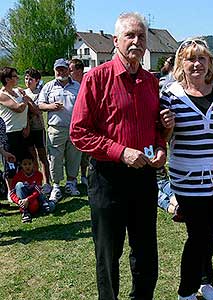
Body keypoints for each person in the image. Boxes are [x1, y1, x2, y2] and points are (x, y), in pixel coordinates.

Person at [70, 12, 169, 300]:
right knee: (108, 254)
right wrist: (120, 151)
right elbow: (79, 132)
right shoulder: (96, 79)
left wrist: (161, 145)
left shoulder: (151, 82)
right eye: (130, 35)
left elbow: (154, 128)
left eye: (141, 36)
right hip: (107, 179)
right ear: (116, 41)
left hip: (144, 178)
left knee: (146, 252)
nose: (137, 41)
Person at [160, 37, 213, 300]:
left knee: (209, 234)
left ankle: (205, 278)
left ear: (210, 62)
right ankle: (186, 291)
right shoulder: (170, 94)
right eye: (191, 59)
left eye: (202, 58)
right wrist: (166, 126)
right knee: (197, 236)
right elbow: (163, 138)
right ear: (182, 63)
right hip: (187, 177)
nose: (197, 64)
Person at [38, 58, 81, 203]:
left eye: (63, 69)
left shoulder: (77, 86)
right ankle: (56, 186)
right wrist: (51, 107)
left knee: (73, 156)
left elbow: (83, 105)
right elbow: (40, 105)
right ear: (54, 70)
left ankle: (71, 183)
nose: (60, 72)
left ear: (69, 70)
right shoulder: (49, 86)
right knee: (55, 158)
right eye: (58, 69)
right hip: (56, 129)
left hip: (74, 129)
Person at [0, 67, 30, 197]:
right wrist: (25, 100)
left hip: (21, 132)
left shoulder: (18, 91)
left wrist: (27, 125)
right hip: (9, 133)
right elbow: (17, 108)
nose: (18, 78)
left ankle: (21, 188)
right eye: (15, 76)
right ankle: (10, 192)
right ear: (7, 79)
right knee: (10, 163)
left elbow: (26, 110)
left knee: (23, 161)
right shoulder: (2, 95)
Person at [24, 68, 52, 194]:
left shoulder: (40, 93)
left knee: (42, 157)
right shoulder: (22, 93)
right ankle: (36, 181)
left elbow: (37, 110)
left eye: (31, 79)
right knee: (32, 156)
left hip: (38, 128)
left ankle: (47, 182)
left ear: (37, 81)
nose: (28, 81)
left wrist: (29, 103)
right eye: (26, 78)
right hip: (26, 129)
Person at [9, 153, 55, 223]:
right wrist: (19, 201)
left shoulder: (38, 175)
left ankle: (44, 204)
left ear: (33, 164)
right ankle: (25, 212)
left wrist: (28, 199)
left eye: (29, 164)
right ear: (21, 165)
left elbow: (38, 191)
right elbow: (12, 193)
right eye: (25, 164)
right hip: (23, 200)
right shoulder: (17, 177)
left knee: (51, 206)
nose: (27, 166)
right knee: (19, 185)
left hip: (34, 199)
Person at [69, 58, 89, 187]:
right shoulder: (69, 85)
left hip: (88, 124)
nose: (69, 72)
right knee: (73, 153)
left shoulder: (88, 81)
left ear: (79, 70)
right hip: (73, 124)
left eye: (71, 70)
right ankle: (73, 178)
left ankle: (84, 175)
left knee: (86, 154)